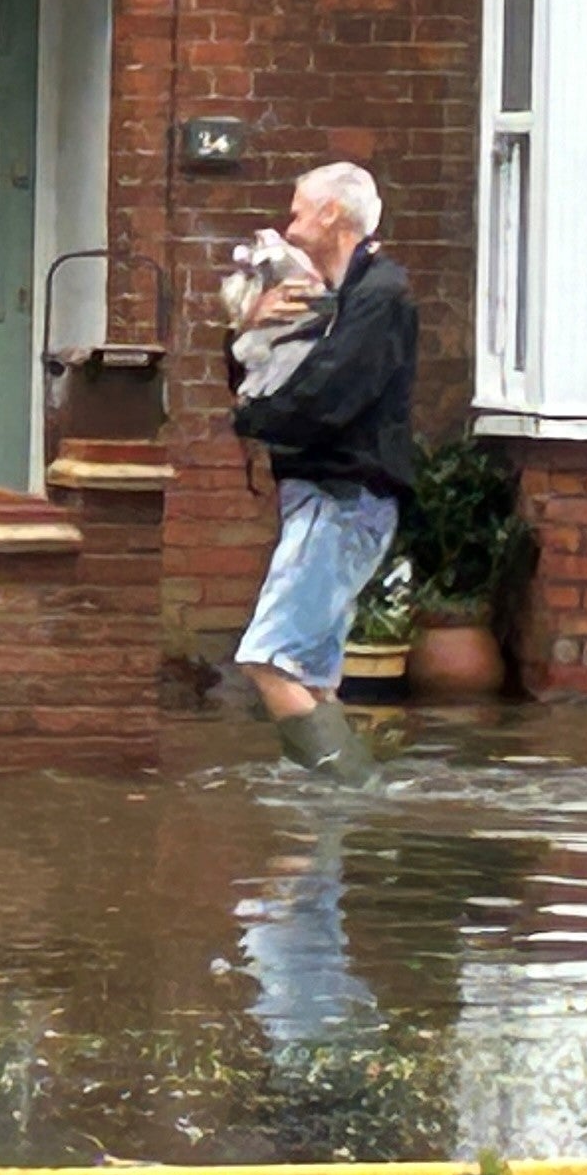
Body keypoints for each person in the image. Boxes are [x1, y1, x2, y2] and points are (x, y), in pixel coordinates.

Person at [228, 160, 416, 782]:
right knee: (308, 672)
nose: (290, 222)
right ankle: (321, 841)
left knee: (269, 661)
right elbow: (266, 376)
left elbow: (331, 396)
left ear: (333, 212)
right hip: (323, 495)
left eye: (299, 208)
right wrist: (253, 325)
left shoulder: (380, 296)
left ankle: (350, 796)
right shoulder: (333, 298)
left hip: (344, 496)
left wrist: (254, 420)